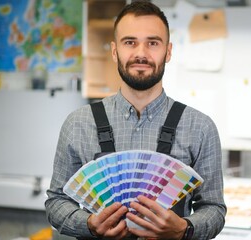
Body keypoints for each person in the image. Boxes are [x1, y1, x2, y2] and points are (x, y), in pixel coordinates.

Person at [45, 1, 226, 239]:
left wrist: (184, 229)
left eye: (153, 43)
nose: (141, 53)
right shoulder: (77, 124)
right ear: (114, 50)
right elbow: (57, 202)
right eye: (130, 42)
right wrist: (89, 224)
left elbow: (214, 208)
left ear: (168, 51)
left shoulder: (201, 128)